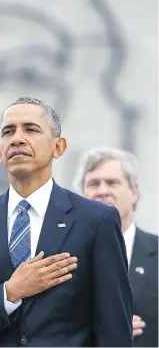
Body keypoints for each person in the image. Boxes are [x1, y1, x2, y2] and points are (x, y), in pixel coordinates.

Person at [0, 96, 133, 347]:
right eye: (8, 132)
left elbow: (114, 330)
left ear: (59, 147)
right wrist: (9, 294)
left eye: (31, 129)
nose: (17, 138)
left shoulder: (96, 221)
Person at [74, 146, 158, 347]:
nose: (103, 191)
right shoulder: (61, 255)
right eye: (93, 184)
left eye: (112, 182)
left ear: (134, 192)